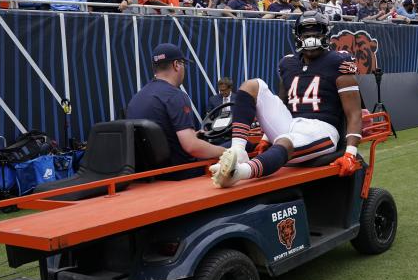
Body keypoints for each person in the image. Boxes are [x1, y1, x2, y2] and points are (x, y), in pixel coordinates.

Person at [210, 11, 362, 188]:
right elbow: (282, 105)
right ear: (297, 36)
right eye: (306, 34)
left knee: (285, 142)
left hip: (322, 129)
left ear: (326, 34)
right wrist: (267, 137)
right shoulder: (288, 64)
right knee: (252, 85)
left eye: (316, 34)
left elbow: (354, 114)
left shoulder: (339, 62)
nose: (311, 38)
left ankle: (239, 172)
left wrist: (350, 152)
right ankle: (238, 150)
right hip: (290, 123)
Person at [126, 43, 226, 179]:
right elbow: (192, 147)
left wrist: (192, 135)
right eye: (183, 64)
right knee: (241, 146)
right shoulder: (175, 96)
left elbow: (158, 137)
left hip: (151, 173)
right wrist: (226, 152)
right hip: (181, 172)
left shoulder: (137, 97)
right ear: (176, 65)